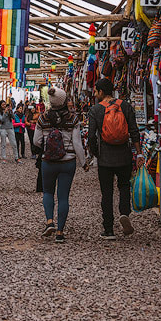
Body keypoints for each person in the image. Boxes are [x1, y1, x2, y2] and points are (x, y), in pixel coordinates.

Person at [32, 86, 87, 244]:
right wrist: (83, 163)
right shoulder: (73, 119)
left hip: (48, 162)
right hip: (67, 162)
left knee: (48, 193)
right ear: (64, 101)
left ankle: (49, 222)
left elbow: (36, 141)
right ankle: (60, 232)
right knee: (63, 197)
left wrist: (44, 144)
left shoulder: (43, 118)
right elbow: (77, 144)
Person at [87, 78, 140, 240]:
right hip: (124, 155)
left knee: (107, 192)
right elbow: (134, 131)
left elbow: (91, 136)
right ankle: (124, 213)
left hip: (105, 158)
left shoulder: (96, 110)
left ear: (101, 92)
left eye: (96, 91)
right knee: (124, 186)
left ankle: (108, 229)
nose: (95, 94)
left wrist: (95, 152)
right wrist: (139, 153)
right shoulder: (125, 106)